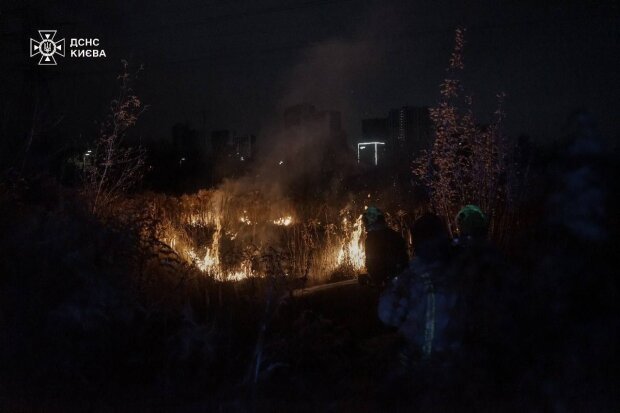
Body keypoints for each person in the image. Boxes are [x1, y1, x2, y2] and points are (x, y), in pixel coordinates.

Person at [378, 213, 458, 364]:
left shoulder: (410, 278)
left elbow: (387, 314)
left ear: (416, 243)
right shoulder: (461, 272)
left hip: (418, 363)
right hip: (454, 362)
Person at [361, 206, 408, 287]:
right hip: (400, 281)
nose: (365, 227)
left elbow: (373, 265)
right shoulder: (395, 235)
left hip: (386, 284)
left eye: (366, 224)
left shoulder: (372, 239)